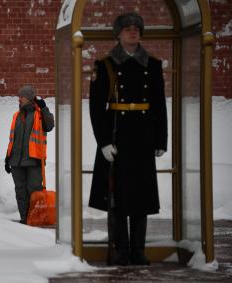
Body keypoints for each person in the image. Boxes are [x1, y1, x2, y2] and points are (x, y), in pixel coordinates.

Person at [88, 13, 168, 265]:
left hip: (143, 136)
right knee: (117, 197)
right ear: (118, 34)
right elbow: (96, 107)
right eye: (128, 29)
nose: (133, 32)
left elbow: (159, 105)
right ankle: (120, 250)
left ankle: (138, 250)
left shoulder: (152, 65)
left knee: (141, 197)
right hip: (117, 136)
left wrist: (160, 140)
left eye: (137, 29)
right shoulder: (105, 65)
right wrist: (103, 142)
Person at [4, 85, 54, 224]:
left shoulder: (39, 114)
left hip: (34, 159)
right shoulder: (16, 116)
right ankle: (24, 219)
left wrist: (44, 108)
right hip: (16, 161)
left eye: (22, 96)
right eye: (18, 96)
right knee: (20, 192)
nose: (19, 99)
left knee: (34, 191)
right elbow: (12, 139)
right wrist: (7, 158)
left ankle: (36, 218)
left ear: (29, 98)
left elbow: (49, 126)